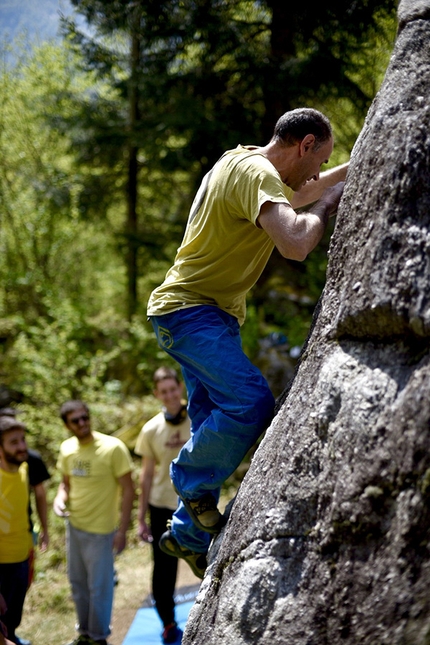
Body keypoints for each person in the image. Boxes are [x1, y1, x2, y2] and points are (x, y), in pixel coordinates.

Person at [147, 107, 349, 575]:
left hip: (206, 318)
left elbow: (308, 187)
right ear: (304, 145)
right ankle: (189, 480)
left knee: (210, 424)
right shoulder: (256, 174)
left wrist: (350, 170)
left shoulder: (243, 163)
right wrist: (321, 209)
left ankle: (187, 535)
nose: (318, 171)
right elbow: (295, 243)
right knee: (250, 403)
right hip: (189, 314)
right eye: (319, 159)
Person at [53, 401, 135, 645]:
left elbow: (129, 490)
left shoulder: (113, 448)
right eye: (75, 420)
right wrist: (59, 499)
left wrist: (122, 531)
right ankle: (85, 633)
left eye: (84, 417)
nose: (82, 423)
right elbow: (65, 484)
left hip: (102, 532)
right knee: (77, 584)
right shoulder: (67, 448)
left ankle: (98, 638)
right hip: (74, 527)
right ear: (67, 426)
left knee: (100, 588)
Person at [135, 367, 191, 644]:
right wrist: (140, 517)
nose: (170, 395)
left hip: (195, 500)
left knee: (204, 555)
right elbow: (145, 475)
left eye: (173, 389)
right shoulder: (150, 429)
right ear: (157, 394)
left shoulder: (197, 413)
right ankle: (168, 622)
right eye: (164, 391)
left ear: (180, 388)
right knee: (163, 566)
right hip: (161, 504)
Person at [0, 416, 33, 645]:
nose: (22, 447)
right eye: (13, 442)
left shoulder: (24, 470)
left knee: (13, 617)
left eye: (22, 440)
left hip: (23, 558)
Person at [0, 408, 51, 554]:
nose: (21, 446)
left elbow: (40, 495)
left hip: (24, 535)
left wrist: (44, 529)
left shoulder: (30, 461)